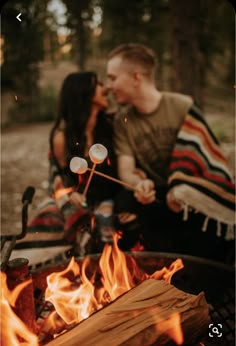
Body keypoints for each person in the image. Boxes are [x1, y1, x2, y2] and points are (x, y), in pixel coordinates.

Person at [106, 43, 235, 263]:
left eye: (113, 78)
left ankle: (211, 265)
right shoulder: (123, 121)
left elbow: (205, 157)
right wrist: (139, 185)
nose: (109, 86)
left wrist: (182, 189)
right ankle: (148, 266)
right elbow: (126, 170)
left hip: (189, 190)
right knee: (124, 202)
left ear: (136, 77)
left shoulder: (182, 106)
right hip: (155, 195)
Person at [17, 71, 120, 257]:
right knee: (49, 212)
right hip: (82, 198)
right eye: (98, 84)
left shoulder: (111, 126)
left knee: (106, 217)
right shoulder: (62, 138)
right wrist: (71, 194)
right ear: (84, 93)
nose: (105, 88)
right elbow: (62, 178)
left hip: (110, 195)